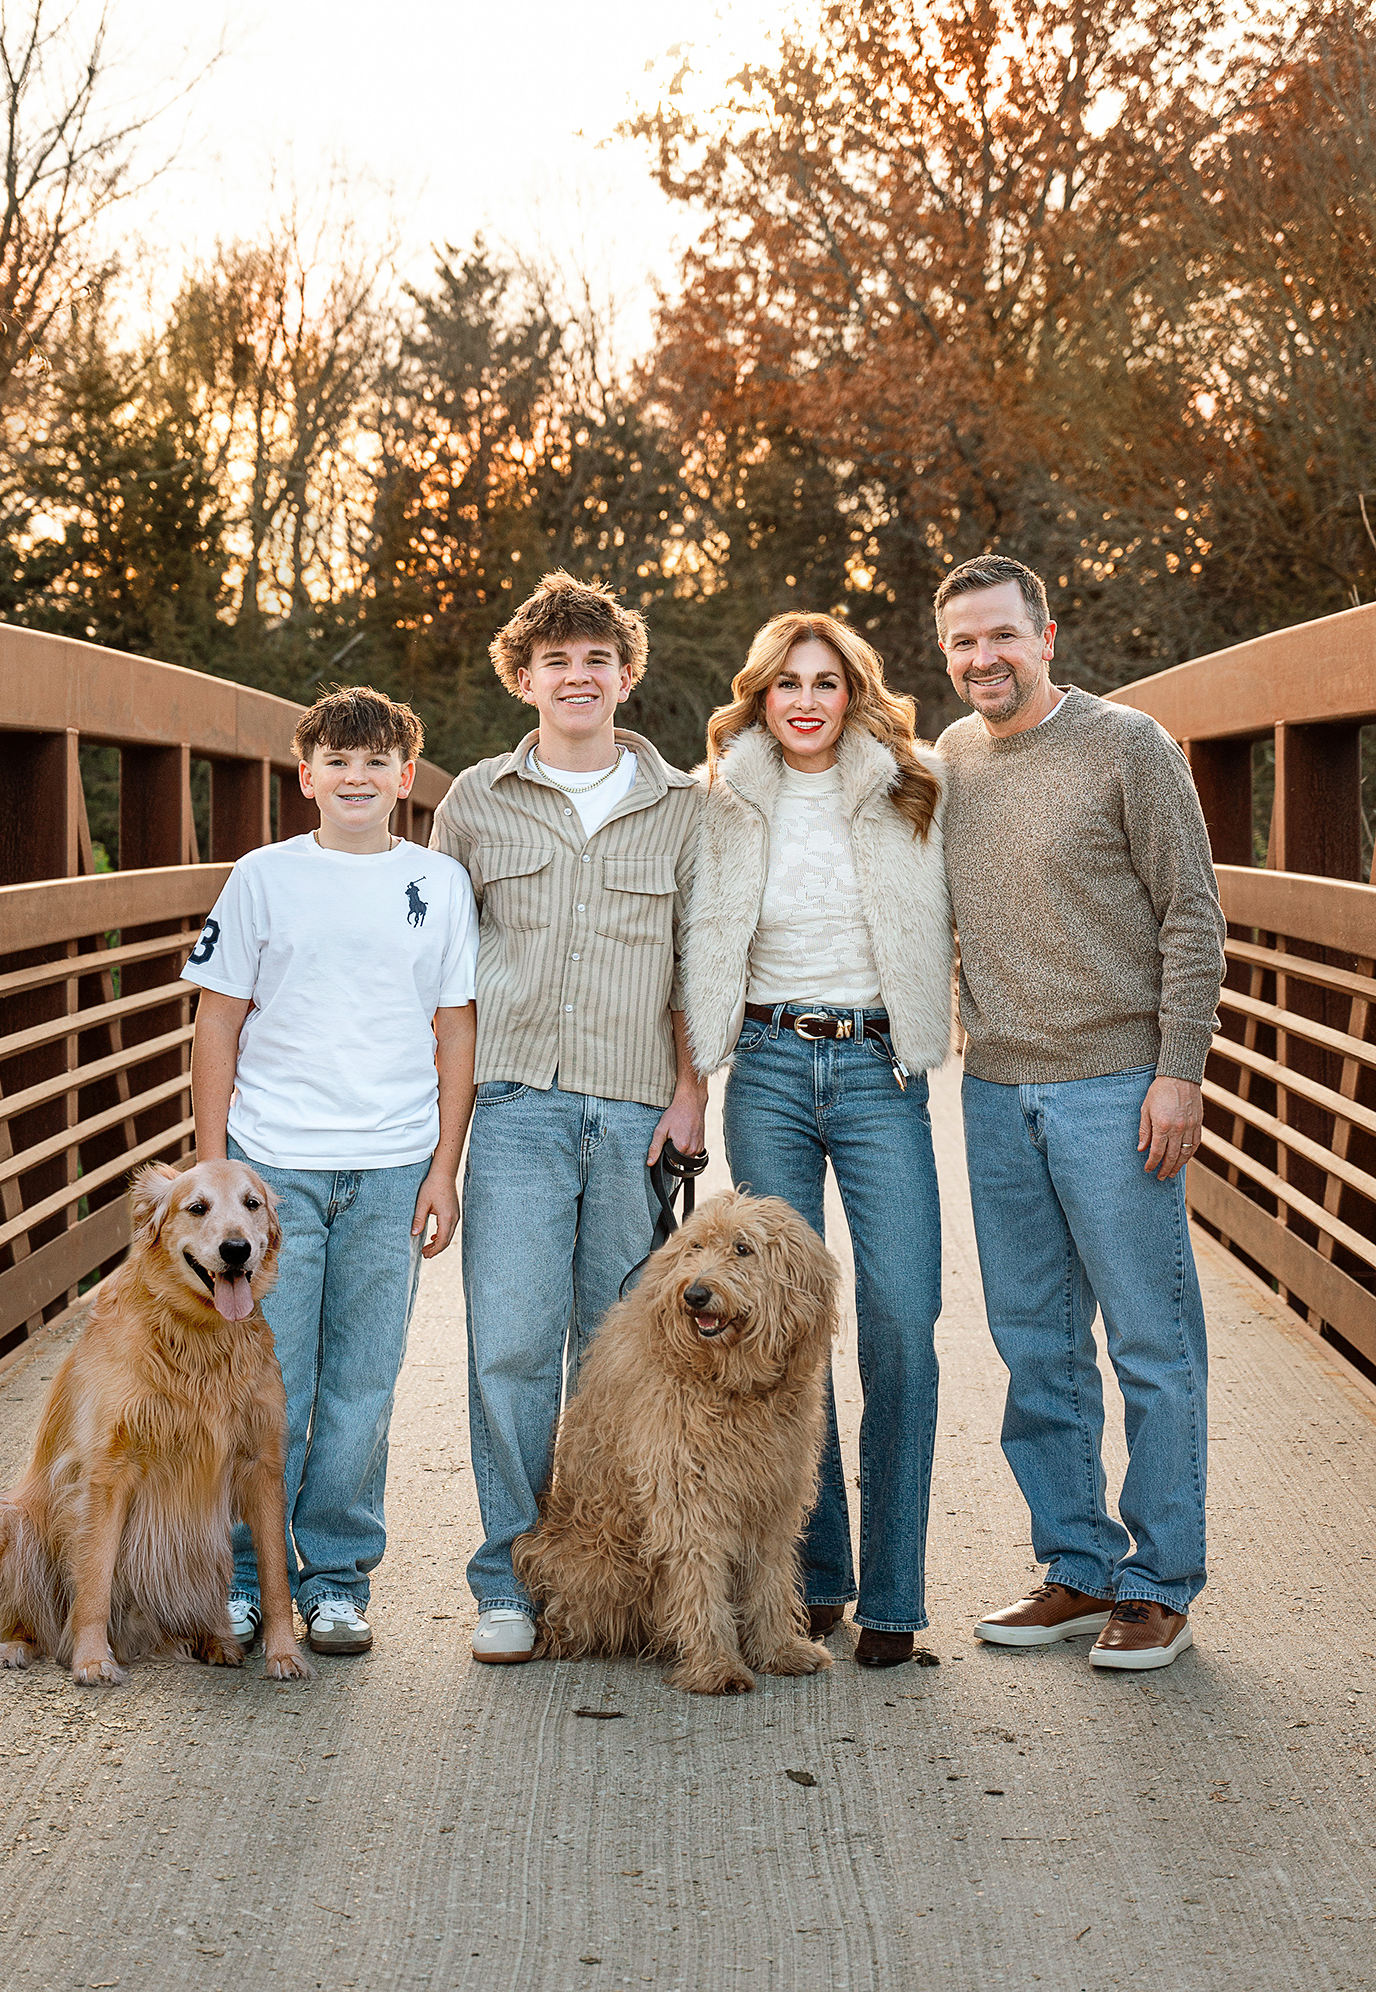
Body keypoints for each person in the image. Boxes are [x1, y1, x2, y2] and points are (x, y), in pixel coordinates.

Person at [935, 554, 1225, 1671]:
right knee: (1034, 1346)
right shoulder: (954, 757)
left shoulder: (1127, 744)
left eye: (1000, 635)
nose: (981, 659)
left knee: (1150, 1342)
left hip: (1116, 1086)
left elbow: (1191, 916)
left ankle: (1158, 1582)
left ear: (1044, 635)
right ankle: (1073, 1561)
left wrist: (1177, 1069)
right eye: (961, 642)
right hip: (996, 1088)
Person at [430, 571, 706, 1666]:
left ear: (625, 673)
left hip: (634, 1104)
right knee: (507, 1348)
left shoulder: (683, 805)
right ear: (523, 678)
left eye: (597, 658)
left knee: (615, 1357)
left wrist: (692, 1091)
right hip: (511, 1106)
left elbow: (697, 960)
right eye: (556, 661)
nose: (577, 675)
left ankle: (605, 1577)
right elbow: (439, 966)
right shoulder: (473, 800)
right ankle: (506, 1577)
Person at [681, 613, 954, 1667]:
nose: (804, 698)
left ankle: (893, 1595)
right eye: (785, 681)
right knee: (784, 1326)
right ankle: (815, 1580)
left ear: (853, 694)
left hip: (880, 1072)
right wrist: (689, 1078)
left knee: (897, 1321)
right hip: (770, 1068)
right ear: (758, 696)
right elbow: (688, 933)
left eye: (825, 681)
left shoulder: (915, 785)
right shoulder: (723, 799)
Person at [186, 684, 478, 1656]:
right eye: (336, 761)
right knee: (269, 1381)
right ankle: (236, 1575)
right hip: (275, 1171)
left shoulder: (436, 885)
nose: (356, 776)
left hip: (391, 1166)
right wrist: (218, 1165)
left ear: (405, 777)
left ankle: (336, 1577)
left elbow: (453, 1028)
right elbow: (216, 1021)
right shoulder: (262, 877)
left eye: (376, 761)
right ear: (303, 775)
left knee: (362, 1382)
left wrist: (444, 1166)